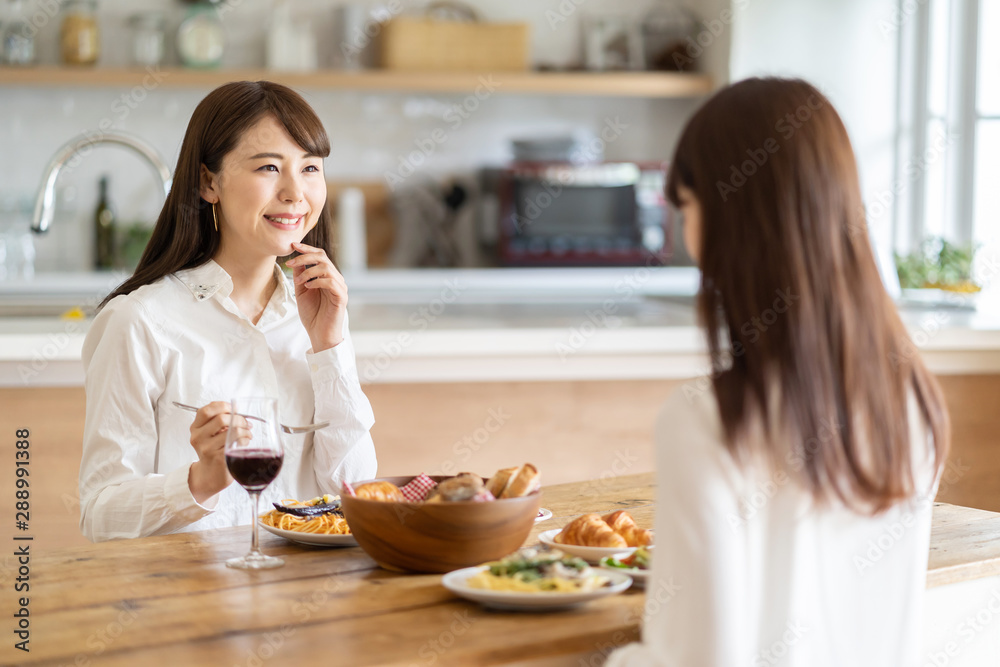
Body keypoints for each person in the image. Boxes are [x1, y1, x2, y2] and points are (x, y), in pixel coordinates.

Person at [606, 78, 950, 666]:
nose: (686, 239)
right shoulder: (912, 401)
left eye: (686, 208)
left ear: (728, 214)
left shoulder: (708, 419)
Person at [79, 81, 377, 541]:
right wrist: (201, 481)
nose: (295, 192)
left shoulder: (317, 316)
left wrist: (329, 348)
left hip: (304, 594)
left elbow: (352, 493)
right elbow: (100, 518)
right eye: (269, 167)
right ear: (208, 182)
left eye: (310, 167)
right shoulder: (138, 322)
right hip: (189, 602)